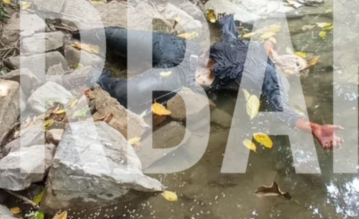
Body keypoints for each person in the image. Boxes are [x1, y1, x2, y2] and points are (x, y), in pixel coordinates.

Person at [80, 15, 343, 149]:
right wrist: (227, 17)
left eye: (294, 65)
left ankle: (92, 76)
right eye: (291, 58)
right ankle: (73, 36)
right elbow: (229, 31)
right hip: (184, 51)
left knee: (128, 92)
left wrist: (314, 127)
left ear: (290, 73)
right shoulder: (251, 45)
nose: (289, 62)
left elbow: (284, 111)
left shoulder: (273, 79)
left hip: (188, 78)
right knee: (116, 36)